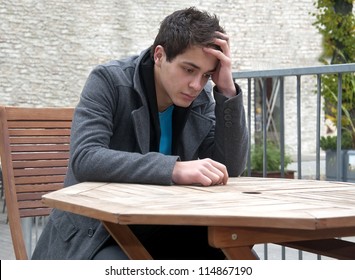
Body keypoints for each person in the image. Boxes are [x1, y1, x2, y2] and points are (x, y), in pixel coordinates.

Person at [32, 6, 248, 260]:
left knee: (229, 254)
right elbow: (85, 158)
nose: (196, 85)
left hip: (163, 226)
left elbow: (229, 167)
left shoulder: (199, 99)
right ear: (159, 55)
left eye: (206, 75)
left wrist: (226, 90)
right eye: (189, 70)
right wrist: (174, 169)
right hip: (96, 231)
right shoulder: (109, 81)